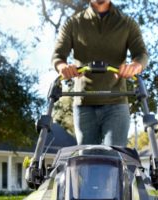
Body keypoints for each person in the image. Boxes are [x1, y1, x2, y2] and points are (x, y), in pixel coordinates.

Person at [52, 0, 148, 147]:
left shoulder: (127, 23)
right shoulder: (73, 23)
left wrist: (135, 66)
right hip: (84, 103)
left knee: (114, 158)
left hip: (117, 103)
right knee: (86, 160)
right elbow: (58, 56)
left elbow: (141, 54)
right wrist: (63, 67)